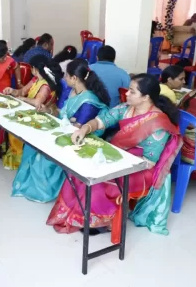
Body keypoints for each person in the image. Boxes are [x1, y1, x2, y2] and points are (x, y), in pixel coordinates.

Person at [47, 74, 181, 235]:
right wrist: (84, 129)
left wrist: (112, 163)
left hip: (141, 168)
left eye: (132, 92)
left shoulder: (157, 124)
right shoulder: (125, 109)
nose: (126, 94)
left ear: (146, 97)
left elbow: (149, 162)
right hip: (120, 156)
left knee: (100, 180)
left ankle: (99, 221)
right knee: (81, 169)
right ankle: (77, 214)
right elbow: (101, 120)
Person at [12, 59, 110, 202]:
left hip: (80, 137)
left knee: (43, 150)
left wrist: (63, 123)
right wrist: (48, 110)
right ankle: (31, 183)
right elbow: (61, 113)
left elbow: (77, 128)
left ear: (74, 78)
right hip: (66, 129)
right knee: (31, 143)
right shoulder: (72, 91)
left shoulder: (89, 101)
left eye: (67, 76)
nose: (64, 78)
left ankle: (44, 190)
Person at [2, 55, 63, 170]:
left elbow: (37, 103)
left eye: (31, 68)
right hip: (31, 112)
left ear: (35, 69)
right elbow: (22, 91)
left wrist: (23, 99)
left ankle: (21, 157)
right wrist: (12, 91)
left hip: (42, 116)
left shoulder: (45, 85)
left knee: (14, 124)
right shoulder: (36, 79)